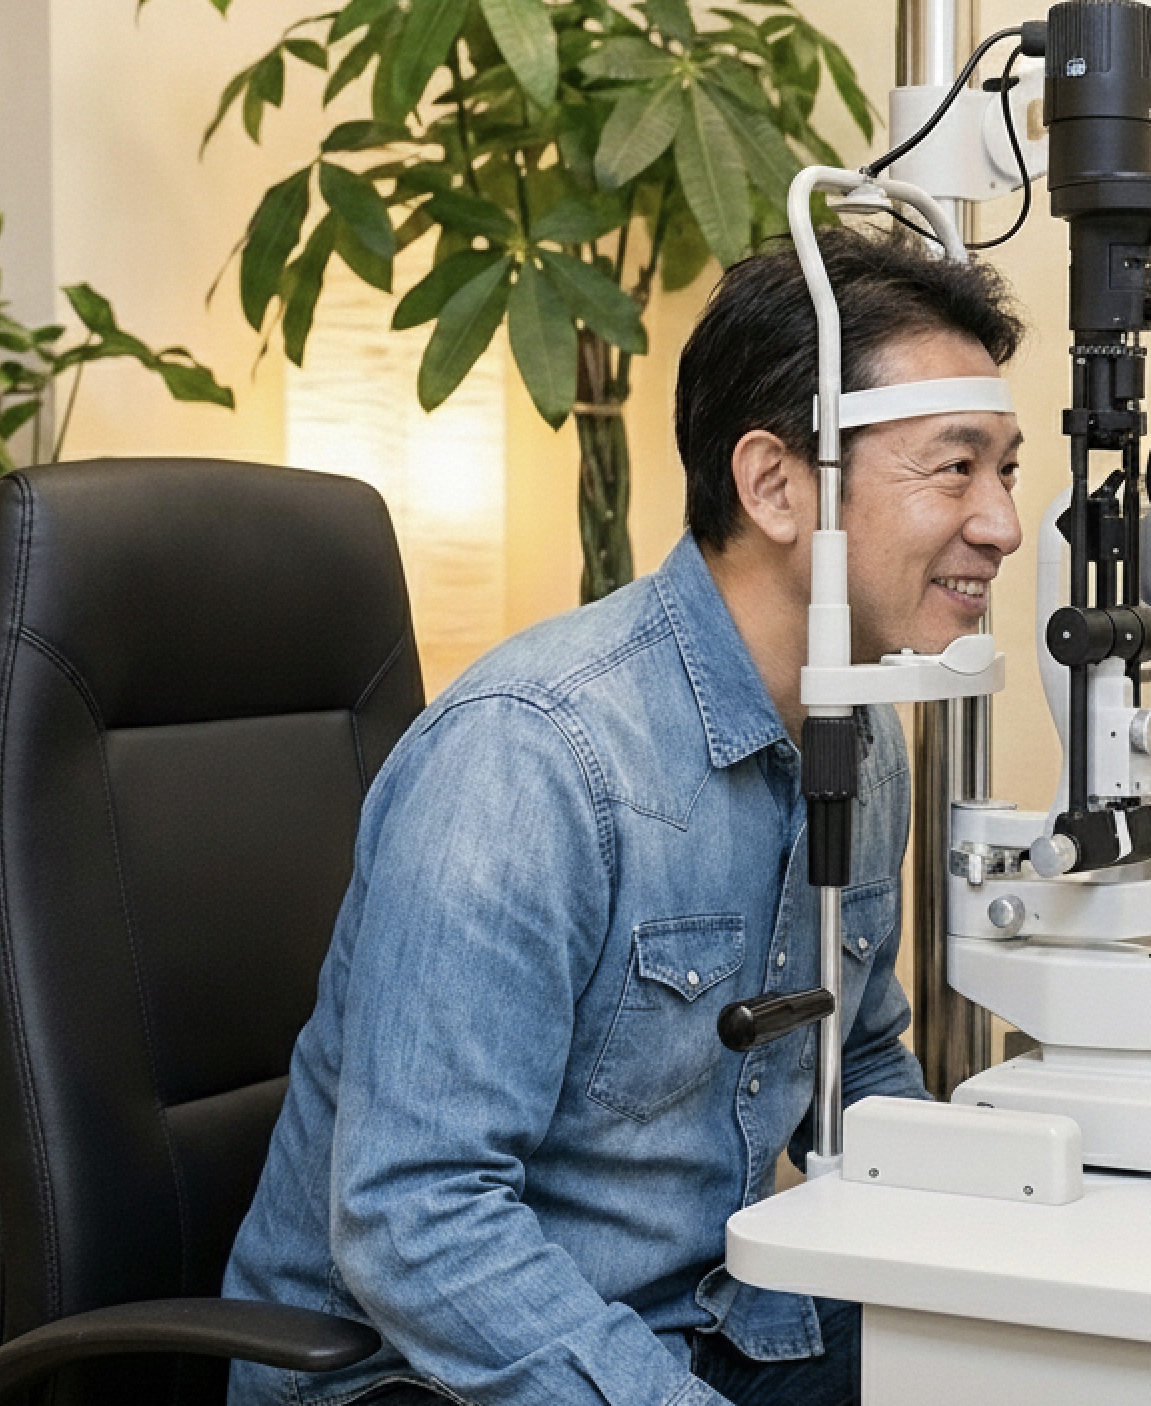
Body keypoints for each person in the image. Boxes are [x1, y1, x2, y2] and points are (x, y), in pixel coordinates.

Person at [224, 228, 1026, 1406]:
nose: (1002, 522)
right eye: (955, 469)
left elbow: (855, 1065)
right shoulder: (535, 755)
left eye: (1007, 471)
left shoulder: (859, 736)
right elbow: (417, 1218)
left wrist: (1025, 1238)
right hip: (417, 1372)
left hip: (715, 1323)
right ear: (775, 484)